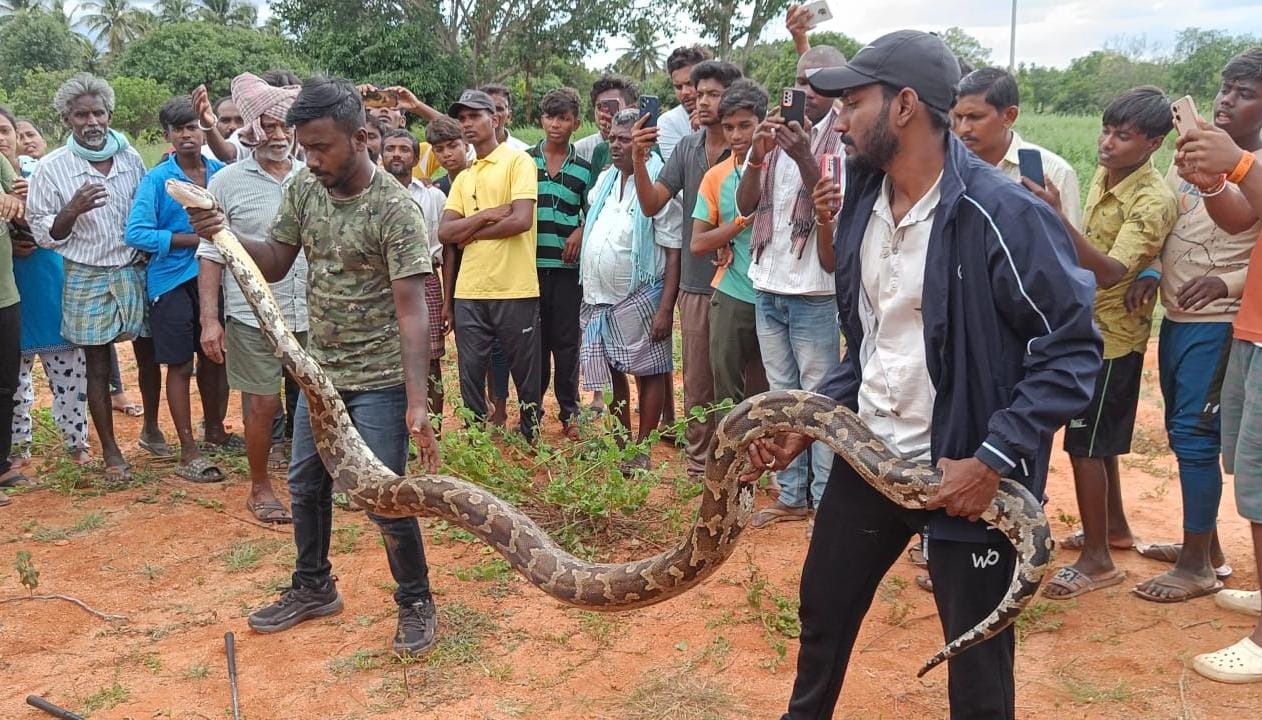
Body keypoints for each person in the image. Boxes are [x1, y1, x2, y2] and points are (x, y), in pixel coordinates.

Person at [744, 31, 1101, 718]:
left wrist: (993, 459)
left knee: (977, 668)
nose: (839, 119)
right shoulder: (860, 206)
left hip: (969, 477)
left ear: (905, 105)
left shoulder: (1003, 215)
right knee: (822, 616)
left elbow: (1073, 348)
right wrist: (811, 422)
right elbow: (874, 349)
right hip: (873, 459)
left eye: (853, 102)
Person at [188, 76, 442, 654]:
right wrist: (226, 233)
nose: (311, 158)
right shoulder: (305, 188)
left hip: (377, 379)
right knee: (304, 483)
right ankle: (314, 586)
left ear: (360, 138)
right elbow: (277, 262)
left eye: (322, 146)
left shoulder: (395, 210)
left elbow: (412, 312)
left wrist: (417, 401)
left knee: (382, 495)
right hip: (319, 375)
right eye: (305, 147)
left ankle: (416, 600)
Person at [1027, 87, 1178, 600]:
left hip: (1114, 338)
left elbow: (1113, 271)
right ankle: (1112, 529)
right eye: (1106, 130)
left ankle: (1098, 562)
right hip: (1092, 328)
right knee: (1099, 443)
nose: (1107, 143)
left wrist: (1055, 216)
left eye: (1123, 136)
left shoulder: (1152, 198)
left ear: (1153, 143)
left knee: (1086, 446)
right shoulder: (1106, 175)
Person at [1122, 49, 1262, 603]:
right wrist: (1156, 268)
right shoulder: (1205, 154)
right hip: (1180, 317)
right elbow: (1197, 221)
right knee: (1187, 436)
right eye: (1225, 88)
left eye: (1245, 93)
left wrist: (1228, 285)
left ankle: (1197, 565)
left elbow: (1247, 227)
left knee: (1193, 437)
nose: (1227, 99)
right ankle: (1205, 550)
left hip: (1222, 322)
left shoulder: (1254, 163)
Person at [27, 73, 169, 483]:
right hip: (86, 274)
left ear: (109, 115)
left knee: (148, 355)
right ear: (67, 120)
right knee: (97, 365)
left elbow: (145, 211)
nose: (91, 121)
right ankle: (110, 452)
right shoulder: (52, 168)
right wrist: (70, 211)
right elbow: (43, 233)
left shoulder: (129, 158)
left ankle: (151, 428)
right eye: (80, 114)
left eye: (98, 112)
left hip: (134, 269)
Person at [736, 46, 847, 531]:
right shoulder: (776, 135)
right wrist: (758, 157)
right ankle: (792, 494)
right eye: (802, 81)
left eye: (819, 83)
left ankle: (824, 501)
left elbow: (832, 206)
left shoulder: (843, 137)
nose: (807, 92)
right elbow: (745, 205)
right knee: (782, 396)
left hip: (815, 290)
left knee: (819, 401)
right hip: (770, 282)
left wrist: (804, 154)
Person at [197, 71, 307, 523]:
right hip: (251, 315)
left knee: (315, 400)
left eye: (284, 126)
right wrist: (210, 319)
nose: (277, 135)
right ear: (249, 130)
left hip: (312, 312)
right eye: (268, 126)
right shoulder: (226, 181)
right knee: (261, 404)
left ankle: (319, 479)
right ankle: (260, 486)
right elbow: (210, 252)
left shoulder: (311, 176)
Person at [1176, 111, 1262, 684]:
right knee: (1250, 474)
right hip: (1252, 326)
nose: (1229, 99)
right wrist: (1214, 182)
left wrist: (1238, 162)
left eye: (1244, 90)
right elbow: (1241, 220)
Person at [632, 59, 743, 480]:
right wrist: (641, 159)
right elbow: (651, 203)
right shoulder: (687, 148)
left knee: (743, 377)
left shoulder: (747, 150)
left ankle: (743, 463)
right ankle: (700, 465)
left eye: (713, 94)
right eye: (699, 94)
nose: (702, 101)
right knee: (698, 380)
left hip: (742, 281)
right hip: (696, 282)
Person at [125, 96, 228, 483]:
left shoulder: (219, 172)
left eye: (193, 127)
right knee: (180, 363)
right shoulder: (157, 180)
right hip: (170, 280)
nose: (187, 135)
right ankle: (188, 450)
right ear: (167, 135)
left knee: (216, 357)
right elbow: (136, 233)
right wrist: (190, 239)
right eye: (179, 129)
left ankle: (215, 429)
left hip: (215, 278)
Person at [580, 109, 682, 471]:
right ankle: (622, 443)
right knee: (610, 372)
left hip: (643, 294)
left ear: (646, 140)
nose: (617, 146)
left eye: (626, 139)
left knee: (649, 372)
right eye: (614, 139)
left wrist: (665, 307)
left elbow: (673, 250)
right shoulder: (606, 179)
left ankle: (643, 447)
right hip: (599, 297)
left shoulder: (659, 179)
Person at [439, 89, 542, 441]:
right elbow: (445, 231)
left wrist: (472, 233)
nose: (467, 124)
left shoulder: (518, 162)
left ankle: (531, 435)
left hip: (515, 286)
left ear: (494, 119)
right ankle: (475, 437)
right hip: (470, 290)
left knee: (525, 371)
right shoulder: (464, 176)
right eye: (462, 118)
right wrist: (485, 216)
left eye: (474, 116)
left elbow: (521, 220)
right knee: (469, 371)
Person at [0, 107, 89, 476]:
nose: (1, 139)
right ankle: (16, 447)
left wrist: (27, 204)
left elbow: (60, 225)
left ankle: (77, 443)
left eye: (6, 130)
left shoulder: (42, 173)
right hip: (11, 294)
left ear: (19, 137)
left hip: (51, 287)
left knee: (69, 373)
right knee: (13, 381)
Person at [690, 79, 770, 421]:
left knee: (769, 390)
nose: (736, 136)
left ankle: (767, 470)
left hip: (775, 294)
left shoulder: (782, 167)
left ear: (762, 125)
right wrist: (738, 224)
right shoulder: (716, 177)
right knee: (727, 390)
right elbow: (697, 243)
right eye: (729, 128)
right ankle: (729, 463)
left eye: (744, 126)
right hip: (733, 290)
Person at [426, 116, 510, 422]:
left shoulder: (487, 174)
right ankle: (475, 414)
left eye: (453, 146)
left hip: (495, 267)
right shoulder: (437, 190)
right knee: (470, 349)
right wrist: (447, 300)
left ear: (466, 145)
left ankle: (498, 408)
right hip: (459, 274)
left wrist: (467, 230)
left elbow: (504, 217)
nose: (447, 154)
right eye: (439, 149)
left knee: (497, 346)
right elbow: (448, 243)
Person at [531, 88, 595, 440]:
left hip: (569, 273)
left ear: (576, 123)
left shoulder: (584, 170)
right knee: (535, 344)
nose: (556, 124)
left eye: (564, 118)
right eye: (550, 117)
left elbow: (595, 211)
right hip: (529, 270)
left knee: (568, 344)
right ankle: (532, 411)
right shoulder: (525, 162)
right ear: (541, 119)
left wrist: (581, 232)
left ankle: (570, 413)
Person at [952, 67, 1083, 227]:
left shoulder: (1055, 173)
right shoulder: (948, 167)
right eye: (958, 117)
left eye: (975, 117)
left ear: (1009, 116)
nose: (963, 128)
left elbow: (1070, 247)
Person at [383, 128, 448, 420]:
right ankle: (392, 426)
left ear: (416, 156)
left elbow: (446, 248)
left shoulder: (433, 196)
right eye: (390, 148)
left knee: (430, 358)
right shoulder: (368, 194)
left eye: (403, 149)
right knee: (386, 359)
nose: (396, 154)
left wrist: (448, 301)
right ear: (380, 155)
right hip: (380, 283)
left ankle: (430, 429)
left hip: (425, 280)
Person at [0, 114, 24, 494]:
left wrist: (16, 198)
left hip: (5, 295)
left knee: (6, 385)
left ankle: (1, 464)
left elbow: (21, 201)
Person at [576, 74, 639, 172]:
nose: (604, 113)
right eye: (600, 107)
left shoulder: (646, 149)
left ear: (632, 109)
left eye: (612, 106)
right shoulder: (579, 150)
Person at [657, 46, 711, 162]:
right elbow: (681, 172)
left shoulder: (728, 115)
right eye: (678, 87)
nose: (685, 92)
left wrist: (711, 126)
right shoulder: (668, 122)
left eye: (690, 83)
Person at [481, 84, 531, 151]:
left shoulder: (524, 151)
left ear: (509, 116)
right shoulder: (467, 152)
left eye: (499, 109)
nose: (493, 113)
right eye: (487, 108)